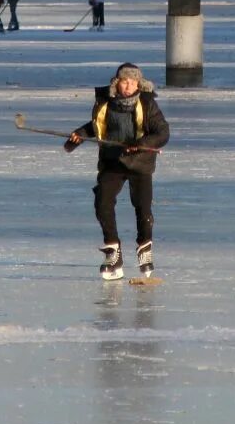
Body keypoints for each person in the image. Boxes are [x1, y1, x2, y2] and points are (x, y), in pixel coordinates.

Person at [64, 62, 172, 280]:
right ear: (117, 83)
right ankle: (113, 251)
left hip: (139, 162)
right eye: (125, 81)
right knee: (103, 201)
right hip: (112, 161)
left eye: (133, 82)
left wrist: (142, 143)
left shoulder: (147, 103)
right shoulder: (107, 102)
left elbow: (163, 133)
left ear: (139, 84)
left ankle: (145, 249)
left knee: (142, 208)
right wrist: (79, 134)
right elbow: (96, 125)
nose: (128, 86)